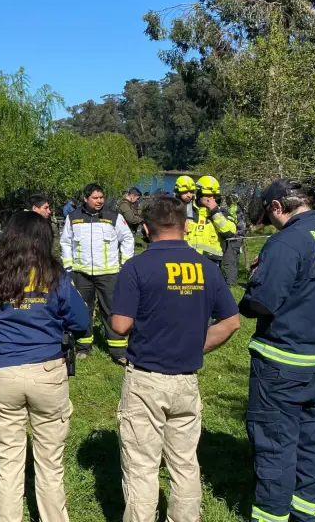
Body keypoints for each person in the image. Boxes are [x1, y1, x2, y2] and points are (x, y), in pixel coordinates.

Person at [110, 196, 241, 522]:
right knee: (184, 462)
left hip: (146, 379)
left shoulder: (137, 266)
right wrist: (197, 347)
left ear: (144, 228)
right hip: (186, 379)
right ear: (185, 227)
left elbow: (121, 325)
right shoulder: (207, 267)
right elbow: (231, 321)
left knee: (142, 465)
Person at [239, 179, 315, 522]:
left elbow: (262, 302)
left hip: (283, 362)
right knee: (314, 441)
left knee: (276, 445)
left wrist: (252, 288)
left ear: (278, 207)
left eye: (269, 215)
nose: (271, 222)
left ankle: (271, 517)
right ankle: (305, 513)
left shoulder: (284, 243)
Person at [0, 211, 90, 522]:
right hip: (47, 373)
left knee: (8, 462)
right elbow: (81, 321)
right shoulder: (57, 276)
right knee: (50, 461)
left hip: (3, 372)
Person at [60, 183, 135, 364]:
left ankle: (118, 350)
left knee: (111, 310)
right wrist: (69, 267)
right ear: (85, 199)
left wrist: (125, 264)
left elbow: (127, 239)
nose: (99, 201)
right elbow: (65, 243)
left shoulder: (114, 217)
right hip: (81, 273)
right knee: (82, 310)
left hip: (109, 273)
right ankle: (84, 346)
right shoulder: (73, 217)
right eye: (95, 198)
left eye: (101, 197)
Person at [185, 176, 237, 265]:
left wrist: (214, 211)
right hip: (187, 260)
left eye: (215, 196)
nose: (212, 199)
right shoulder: (186, 211)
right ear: (199, 194)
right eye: (208, 195)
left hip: (211, 262)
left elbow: (229, 232)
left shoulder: (222, 213)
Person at [221, 193, 248, 288]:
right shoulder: (239, 208)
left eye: (227, 200)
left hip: (233, 238)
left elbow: (231, 224)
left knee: (229, 260)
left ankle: (230, 283)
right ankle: (234, 281)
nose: (226, 202)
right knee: (235, 260)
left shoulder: (232, 209)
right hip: (240, 237)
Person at [27, 193, 60, 259]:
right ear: (34, 208)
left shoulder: (50, 223)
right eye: (46, 208)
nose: (49, 211)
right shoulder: (20, 225)